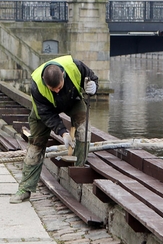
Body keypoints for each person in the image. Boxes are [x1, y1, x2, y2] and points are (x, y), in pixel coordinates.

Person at [9, 55, 98, 204]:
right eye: (53, 89)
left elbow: (92, 77)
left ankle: (79, 170)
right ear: (45, 81)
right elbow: (47, 115)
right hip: (44, 111)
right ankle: (25, 189)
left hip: (72, 101)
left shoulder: (74, 66)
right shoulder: (37, 85)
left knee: (83, 131)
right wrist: (63, 132)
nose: (57, 91)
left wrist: (94, 87)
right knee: (35, 147)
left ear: (63, 75)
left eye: (59, 87)